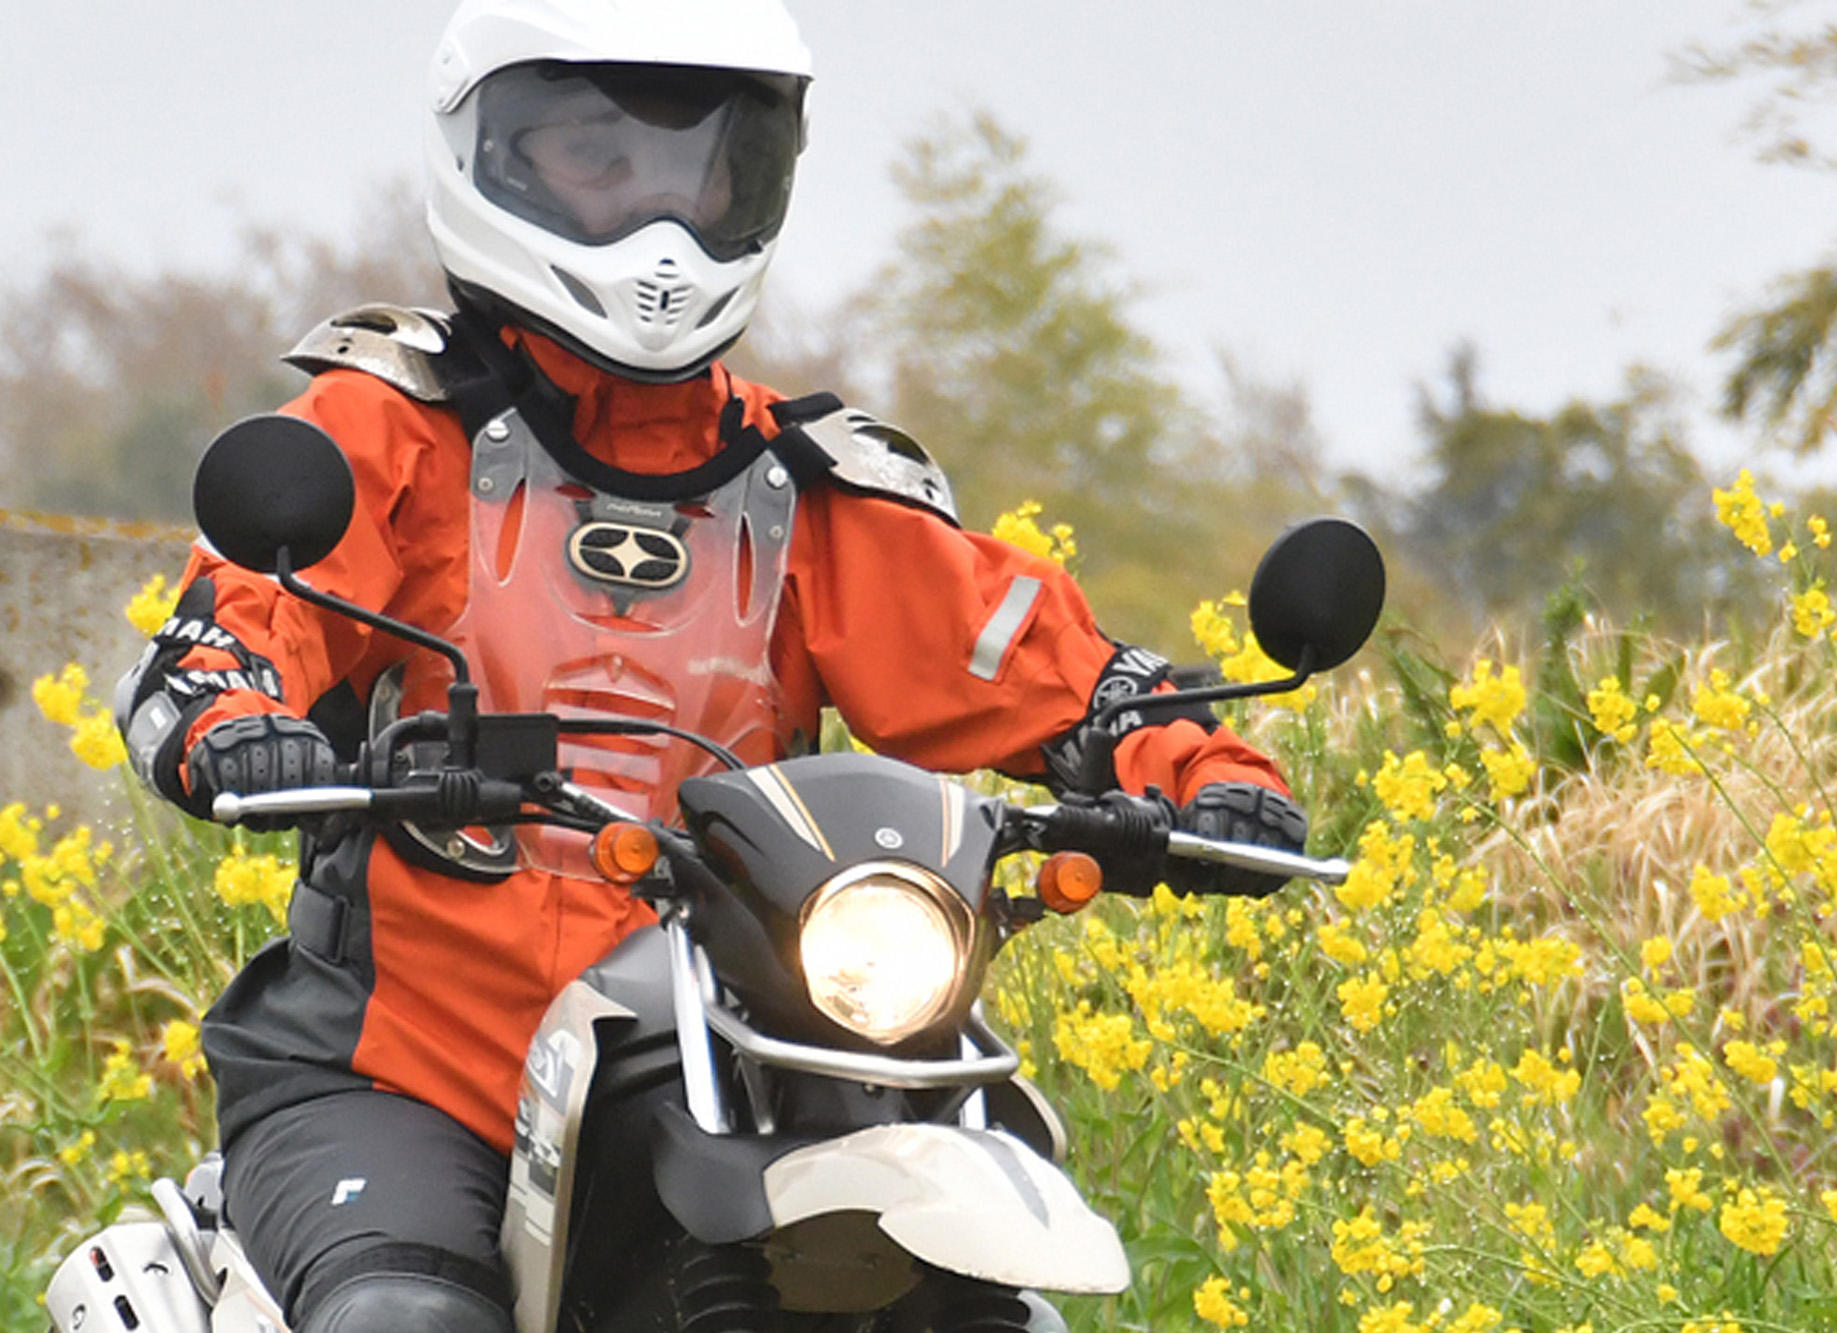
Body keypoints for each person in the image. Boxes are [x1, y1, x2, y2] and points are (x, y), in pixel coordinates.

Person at [113, 1, 1308, 1329]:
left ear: (759, 174)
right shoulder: (391, 432)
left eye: (697, 166)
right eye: (600, 158)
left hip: (737, 1058)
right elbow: (236, 626)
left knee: (970, 1294)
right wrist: (227, 716)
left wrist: (1203, 766)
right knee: (408, 1317)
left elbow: (1042, 664)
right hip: (414, 1070)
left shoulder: (810, 491)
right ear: (492, 152)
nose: (659, 216)